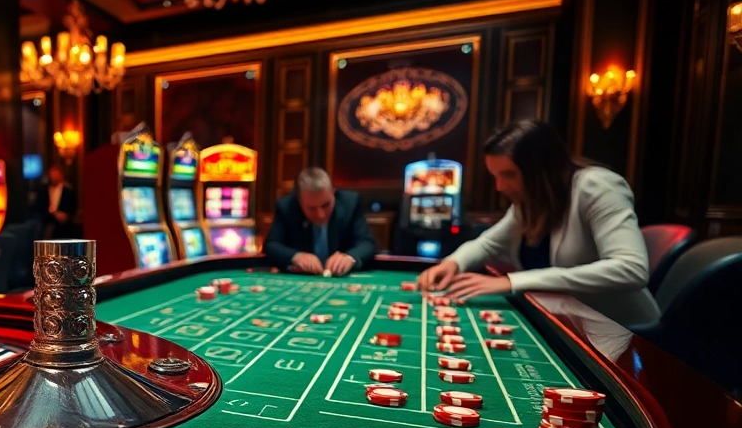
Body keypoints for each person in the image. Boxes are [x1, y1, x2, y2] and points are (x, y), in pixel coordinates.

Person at [416, 119, 660, 327]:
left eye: (509, 175)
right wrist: (453, 263)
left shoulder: (597, 186)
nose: (500, 187)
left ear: (543, 169)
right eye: (495, 176)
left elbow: (631, 269)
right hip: (572, 326)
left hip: (624, 333)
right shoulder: (530, 202)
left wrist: (511, 281)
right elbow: (487, 244)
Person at [264, 166, 376, 277]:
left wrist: (350, 257)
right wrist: (295, 256)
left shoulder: (350, 203)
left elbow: (367, 244)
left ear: (334, 192)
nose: (320, 215)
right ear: (299, 201)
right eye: (312, 208)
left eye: (326, 205)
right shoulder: (286, 207)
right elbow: (271, 245)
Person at [33, 164, 77, 239]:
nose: (53, 177)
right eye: (52, 174)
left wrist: (65, 215)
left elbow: (73, 207)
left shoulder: (68, 191)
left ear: (61, 175)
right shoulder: (43, 190)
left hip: (64, 225)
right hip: (47, 222)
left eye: (56, 174)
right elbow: (39, 207)